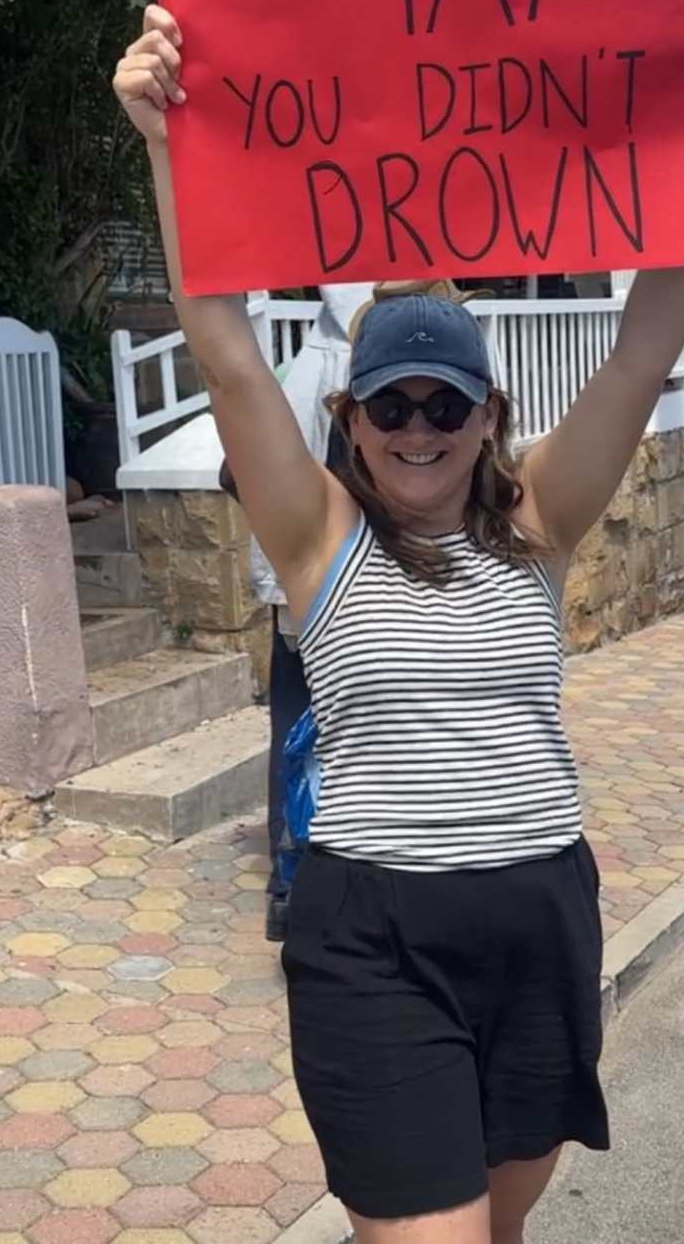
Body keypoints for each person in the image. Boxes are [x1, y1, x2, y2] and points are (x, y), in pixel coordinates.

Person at [114, 5, 684, 1244]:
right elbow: (224, 344)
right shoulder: (317, 538)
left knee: (500, 1229)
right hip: (374, 941)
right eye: (392, 404)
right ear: (352, 418)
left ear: (486, 413)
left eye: (445, 403)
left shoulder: (536, 523)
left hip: (538, 925)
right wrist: (167, 141)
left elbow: (643, 346)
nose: (418, 427)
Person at [220, 279, 497, 943]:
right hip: (324, 585)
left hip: (331, 579)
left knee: (316, 730)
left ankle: (299, 879)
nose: (418, 423)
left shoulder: (342, 360)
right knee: (309, 737)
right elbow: (243, 466)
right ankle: (294, 881)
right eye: (393, 412)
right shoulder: (331, 366)